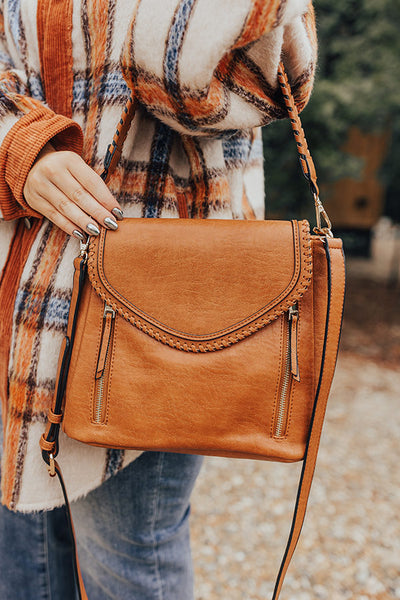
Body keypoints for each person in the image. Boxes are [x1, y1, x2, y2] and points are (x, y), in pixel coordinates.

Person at [0, 0, 317, 598]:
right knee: (23, 553)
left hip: (161, 312)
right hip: (22, 297)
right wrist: (21, 145)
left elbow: (233, 87)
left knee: (128, 559)